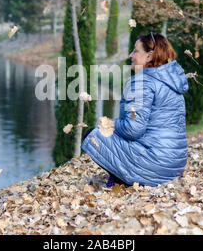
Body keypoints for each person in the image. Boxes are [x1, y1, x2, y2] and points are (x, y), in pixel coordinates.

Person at [81, 33, 189, 187]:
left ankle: (122, 179)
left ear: (149, 56)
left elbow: (133, 129)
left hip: (154, 164)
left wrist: (109, 123)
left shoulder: (142, 82)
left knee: (92, 134)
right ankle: (121, 177)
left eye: (136, 51)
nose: (130, 55)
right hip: (174, 165)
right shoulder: (172, 82)